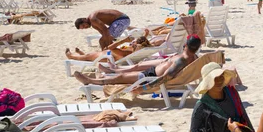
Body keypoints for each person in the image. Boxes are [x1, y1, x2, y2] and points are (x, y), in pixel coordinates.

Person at [73, 35, 201, 86]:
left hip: (150, 76)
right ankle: (111, 71)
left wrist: (144, 88)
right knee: (130, 70)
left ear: (185, 45)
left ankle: (90, 81)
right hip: (153, 71)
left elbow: (166, 77)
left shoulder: (182, 60)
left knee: (122, 77)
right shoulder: (193, 57)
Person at [190, 62, 254, 132]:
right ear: (208, 81)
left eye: (221, 76)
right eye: (215, 78)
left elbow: (244, 116)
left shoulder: (232, 94)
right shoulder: (201, 107)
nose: (219, 80)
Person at [65, 35, 156, 62]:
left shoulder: (126, 53)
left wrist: (124, 40)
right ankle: (81, 54)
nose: (132, 43)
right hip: (107, 55)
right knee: (88, 56)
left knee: (88, 56)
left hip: (105, 57)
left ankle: (71, 56)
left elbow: (110, 48)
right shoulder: (134, 51)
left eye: (134, 43)